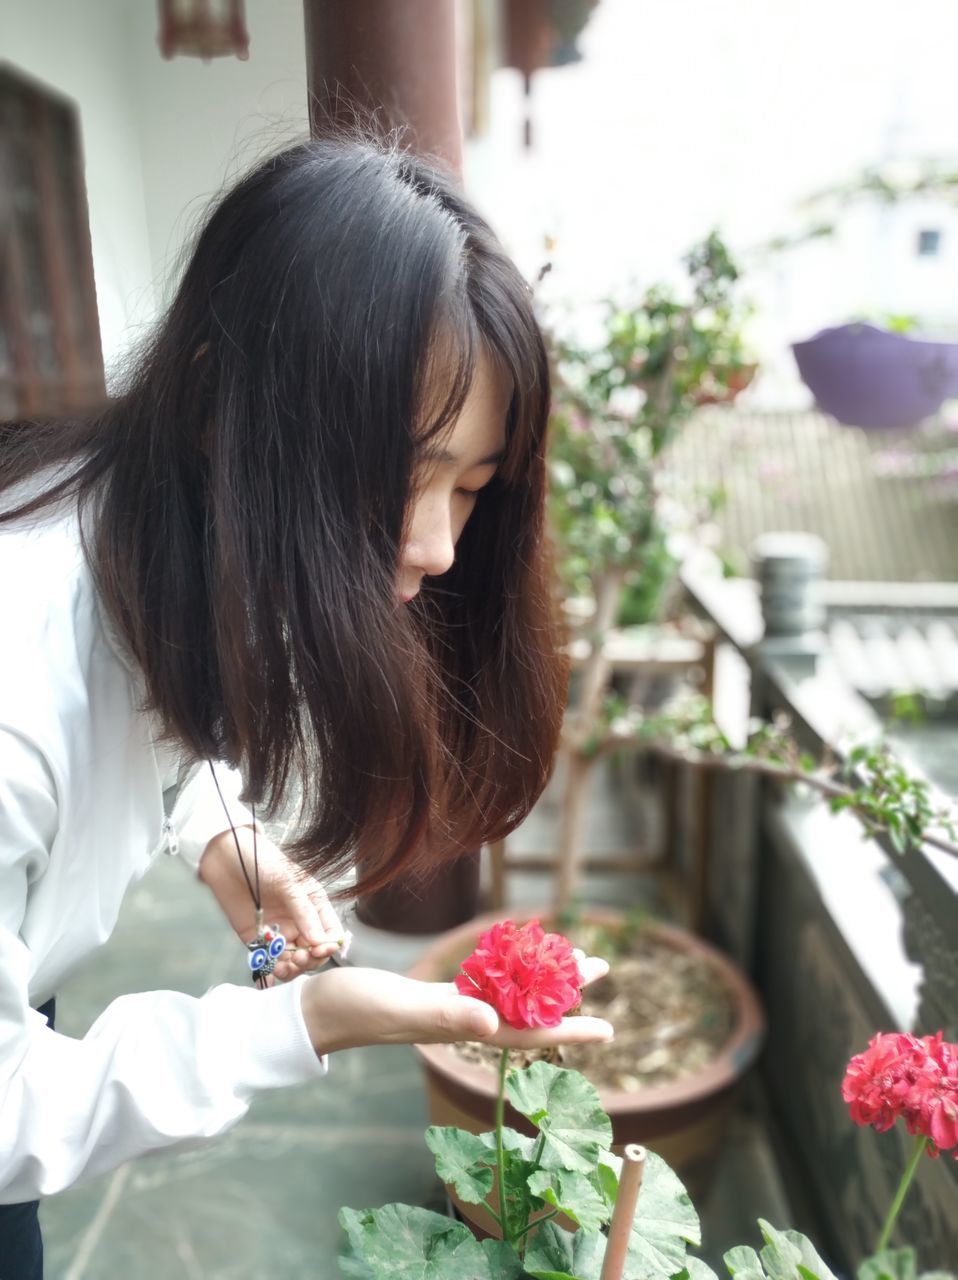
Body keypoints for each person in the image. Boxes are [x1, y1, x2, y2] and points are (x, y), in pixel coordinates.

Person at [0, 134, 614, 1276]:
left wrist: (219, 835)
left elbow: (154, 702)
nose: (434, 545)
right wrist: (307, 1021)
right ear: (214, 405)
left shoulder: (146, 524)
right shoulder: (15, 677)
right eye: (400, 474)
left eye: (471, 489)